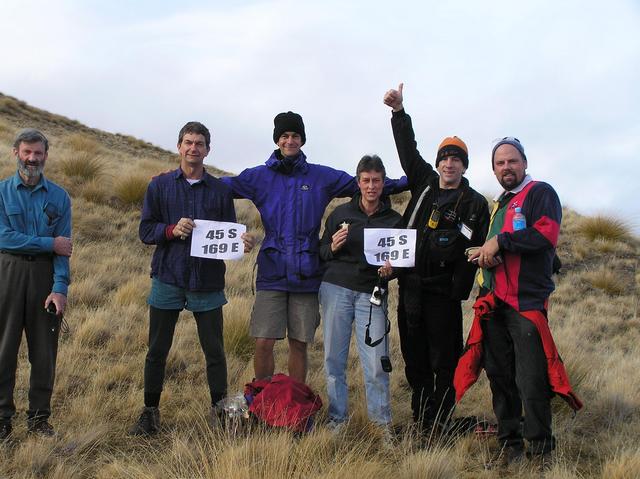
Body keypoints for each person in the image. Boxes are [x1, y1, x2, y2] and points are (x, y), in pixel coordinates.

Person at [220, 112, 407, 384]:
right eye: (284, 136)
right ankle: (262, 398)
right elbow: (220, 188)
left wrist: (408, 181)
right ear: (277, 140)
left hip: (308, 270)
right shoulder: (259, 177)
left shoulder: (320, 176)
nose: (290, 141)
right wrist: (188, 176)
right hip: (272, 270)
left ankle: (295, 400)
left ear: (302, 140)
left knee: (299, 342)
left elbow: (365, 183)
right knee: (263, 341)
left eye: (295, 136)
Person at [130, 121, 254, 436]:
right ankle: (150, 412)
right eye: (188, 142)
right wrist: (171, 230)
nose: (193, 148)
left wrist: (240, 243)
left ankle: (221, 411)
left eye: (199, 143)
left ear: (207, 150)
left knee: (214, 351)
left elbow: (227, 234)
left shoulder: (220, 191)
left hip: (207, 281)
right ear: (179, 146)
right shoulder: (159, 186)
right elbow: (146, 231)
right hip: (168, 277)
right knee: (157, 349)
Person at [383, 84, 490, 430]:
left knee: (443, 359)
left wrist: (459, 289)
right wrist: (399, 113)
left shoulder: (474, 203)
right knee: (414, 358)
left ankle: (442, 420)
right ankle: (420, 417)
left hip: (444, 294)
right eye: (445, 157)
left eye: (456, 159)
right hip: (411, 288)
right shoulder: (425, 183)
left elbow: (477, 251)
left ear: (464, 166)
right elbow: (407, 149)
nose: (449, 163)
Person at [464, 137, 576, 464]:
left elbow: (546, 234)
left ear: (524, 163)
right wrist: (489, 256)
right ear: (494, 169)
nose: (506, 167)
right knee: (500, 378)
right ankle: (509, 447)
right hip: (493, 302)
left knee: (531, 380)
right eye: (500, 163)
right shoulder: (500, 203)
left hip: (525, 303)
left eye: (512, 161)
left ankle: (541, 452)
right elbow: (502, 250)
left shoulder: (540, 193)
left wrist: (500, 241)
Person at [318, 155, 403, 434]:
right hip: (336, 289)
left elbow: (403, 259)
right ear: (358, 183)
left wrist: (394, 270)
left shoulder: (394, 220)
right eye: (366, 180)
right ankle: (337, 421)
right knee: (333, 360)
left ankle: (381, 425)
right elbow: (321, 252)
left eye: (376, 181)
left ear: (383, 183)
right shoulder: (340, 214)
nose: (371, 186)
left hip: (372, 294)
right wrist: (332, 246)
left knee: (377, 363)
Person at [0, 128, 72, 439]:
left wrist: (60, 288)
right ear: (16, 152)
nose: (32, 158)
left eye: (38, 153)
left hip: (45, 278)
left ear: (45, 156)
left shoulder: (59, 197)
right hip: (8, 274)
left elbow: (64, 248)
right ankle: (2, 416)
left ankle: (39, 418)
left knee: (44, 353)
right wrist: (47, 243)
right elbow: (3, 236)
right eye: (27, 152)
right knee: (3, 350)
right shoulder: (1, 192)